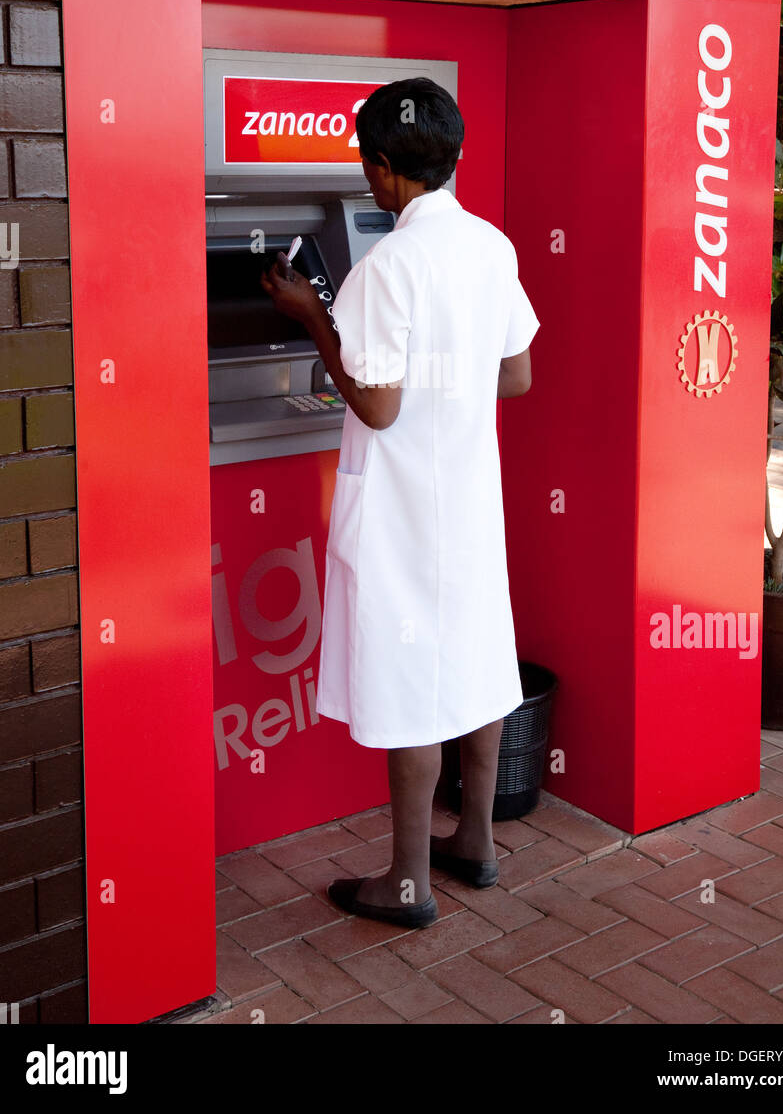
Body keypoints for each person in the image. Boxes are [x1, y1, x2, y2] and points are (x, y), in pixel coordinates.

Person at [261, 77, 540, 929]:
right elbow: (517, 375)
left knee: (416, 679)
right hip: (468, 496)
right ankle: (477, 844)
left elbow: (377, 405)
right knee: (479, 658)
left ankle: (407, 883)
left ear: (383, 170)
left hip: (401, 509)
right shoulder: (493, 247)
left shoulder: (385, 268)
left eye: (365, 164)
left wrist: (314, 316)